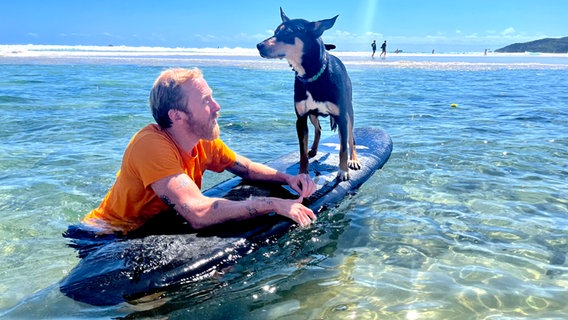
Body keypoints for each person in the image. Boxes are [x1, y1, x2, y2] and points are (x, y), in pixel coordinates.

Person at [79, 67, 317, 236]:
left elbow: (244, 167)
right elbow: (198, 213)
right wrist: (274, 204)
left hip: (154, 226)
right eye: (206, 101)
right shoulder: (150, 145)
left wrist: (288, 178)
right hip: (104, 235)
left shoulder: (202, 139)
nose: (217, 106)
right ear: (176, 116)